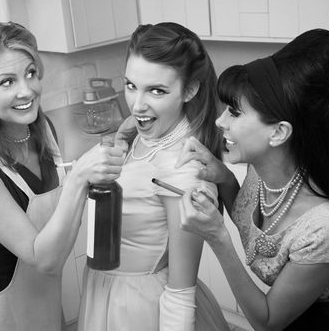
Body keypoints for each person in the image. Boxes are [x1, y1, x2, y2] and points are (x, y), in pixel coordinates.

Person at [176, 28, 329, 330]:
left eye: (234, 112)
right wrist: (224, 177)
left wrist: (217, 237)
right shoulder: (261, 173)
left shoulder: (327, 226)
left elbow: (268, 322)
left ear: (279, 132)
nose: (220, 121)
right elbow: (249, 221)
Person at [0, 21, 125, 331]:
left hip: (37, 297)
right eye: (7, 82)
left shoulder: (41, 131)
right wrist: (80, 177)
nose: (26, 90)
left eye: (30, 73)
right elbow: (43, 258)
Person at [77, 22, 230, 331]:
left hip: (141, 310)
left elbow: (181, 288)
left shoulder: (181, 168)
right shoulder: (138, 134)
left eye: (157, 90)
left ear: (190, 89)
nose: (137, 104)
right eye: (131, 85)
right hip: (104, 294)